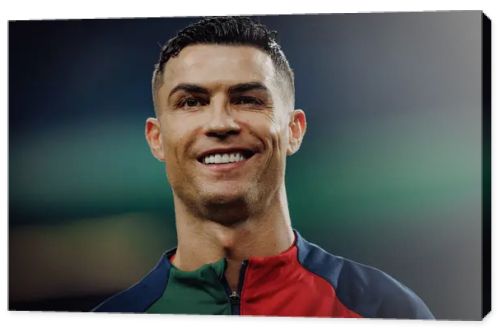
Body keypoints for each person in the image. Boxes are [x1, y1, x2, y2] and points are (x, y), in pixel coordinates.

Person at [93, 16, 434, 319]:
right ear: (156, 138)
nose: (220, 123)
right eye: (192, 102)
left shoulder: (385, 311)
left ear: (293, 130)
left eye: (247, 99)